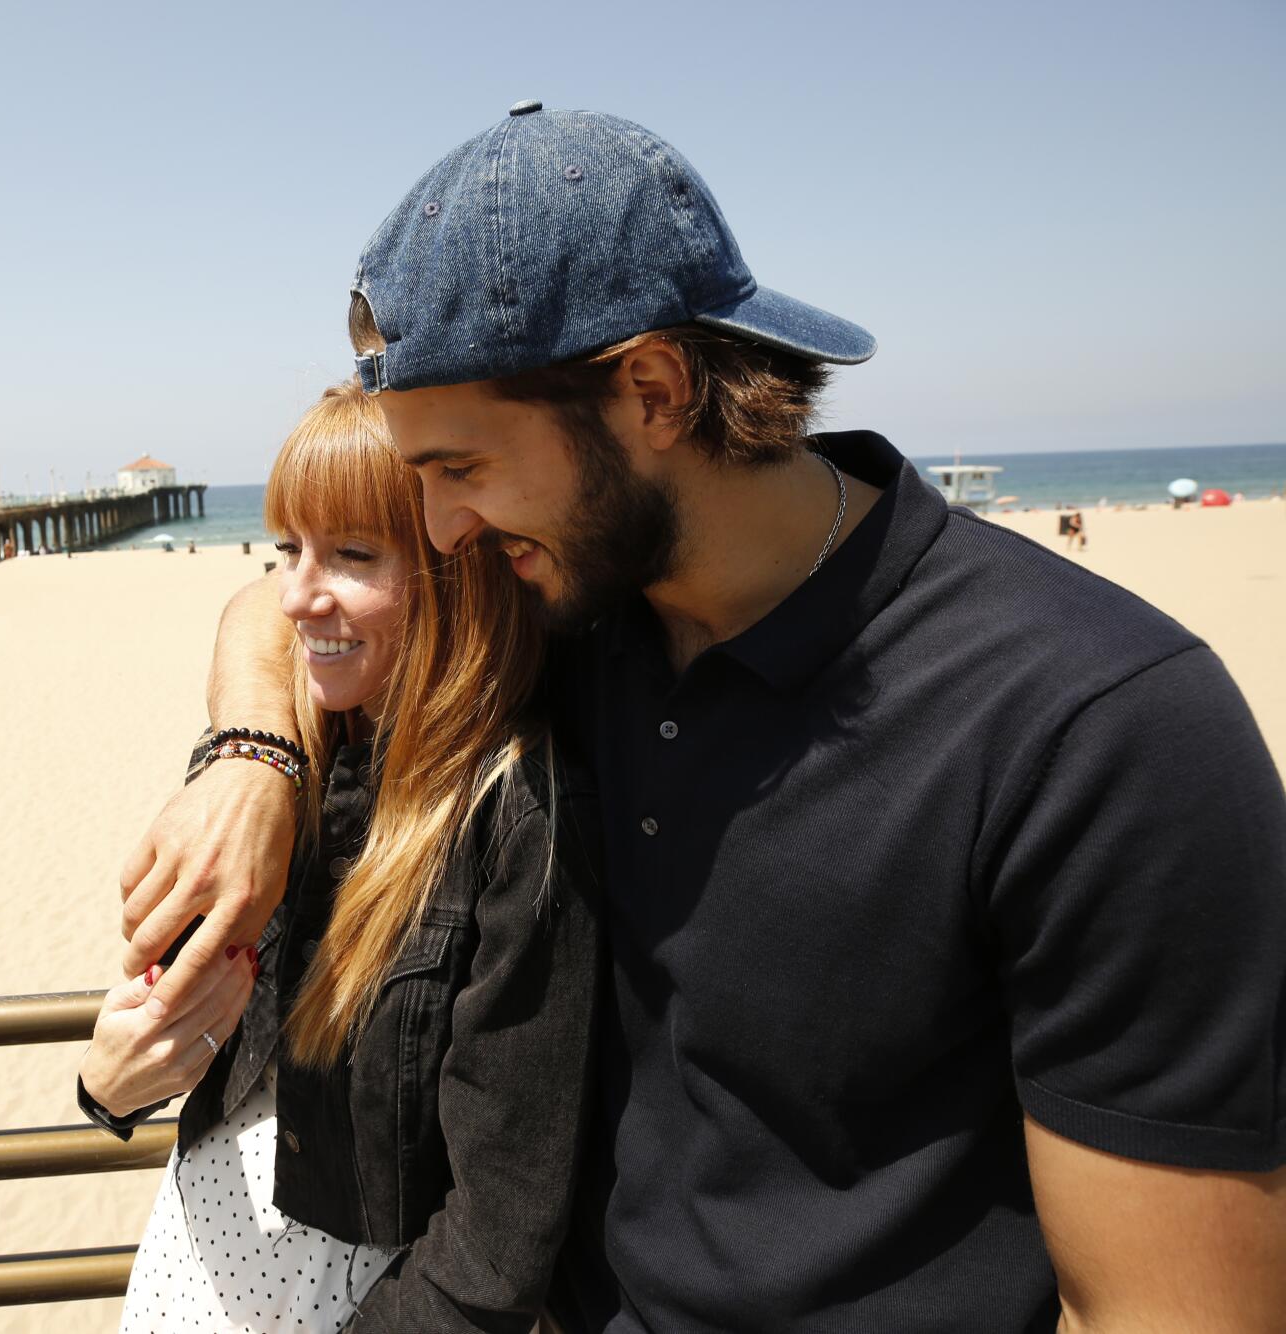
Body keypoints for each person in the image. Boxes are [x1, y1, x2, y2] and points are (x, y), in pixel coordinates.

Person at [117, 104, 1286, 1331]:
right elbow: (272, 605)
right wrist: (249, 759)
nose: (446, 529)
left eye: (460, 468)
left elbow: (1174, 1307)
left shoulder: (1096, 727)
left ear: (655, 391)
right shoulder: (565, 609)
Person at [79, 381, 602, 1331]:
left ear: (461, 572)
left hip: (364, 1300)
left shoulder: (520, 809)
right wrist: (109, 1088)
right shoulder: (290, 765)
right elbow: (181, 1036)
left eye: (352, 555)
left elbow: (501, 1228)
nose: (296, 594)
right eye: (288, 549)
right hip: (195, 1250)